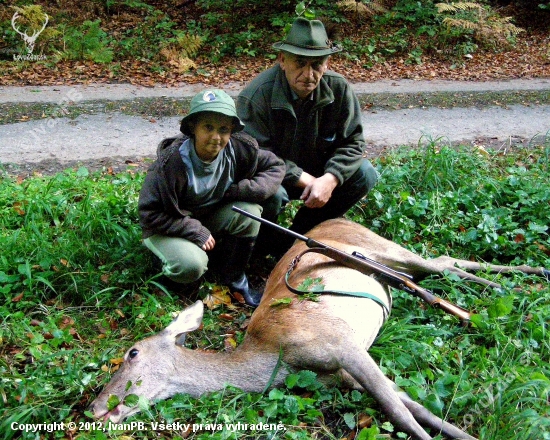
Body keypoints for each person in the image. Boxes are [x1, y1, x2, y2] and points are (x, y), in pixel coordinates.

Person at [236, 17, 378, 256]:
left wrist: (330, 179)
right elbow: (254, 154)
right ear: (282, 60)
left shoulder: (339, 88)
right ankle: (261, 248)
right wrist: (304, 179)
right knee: (272, 194)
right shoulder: (257, 96)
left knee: (364, 174)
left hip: (318, 172)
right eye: (299, 63)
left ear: (327, 62)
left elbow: (353, 142)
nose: (308, 74)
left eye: (317, 65)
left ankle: (298, 237)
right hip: (274, 175)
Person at [138, 89, 285, 307]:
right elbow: (149, 214)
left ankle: (234, 276)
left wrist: (242, 190)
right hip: (169, 224)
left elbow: (275, 165)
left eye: (224, 129)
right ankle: (166, 269)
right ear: (192, 128)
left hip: (208, 215)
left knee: (249, 212)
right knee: (191, 266)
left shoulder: (239, 149)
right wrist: (193, 230)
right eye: (208, 127)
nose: (216, 137)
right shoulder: (171, 164)